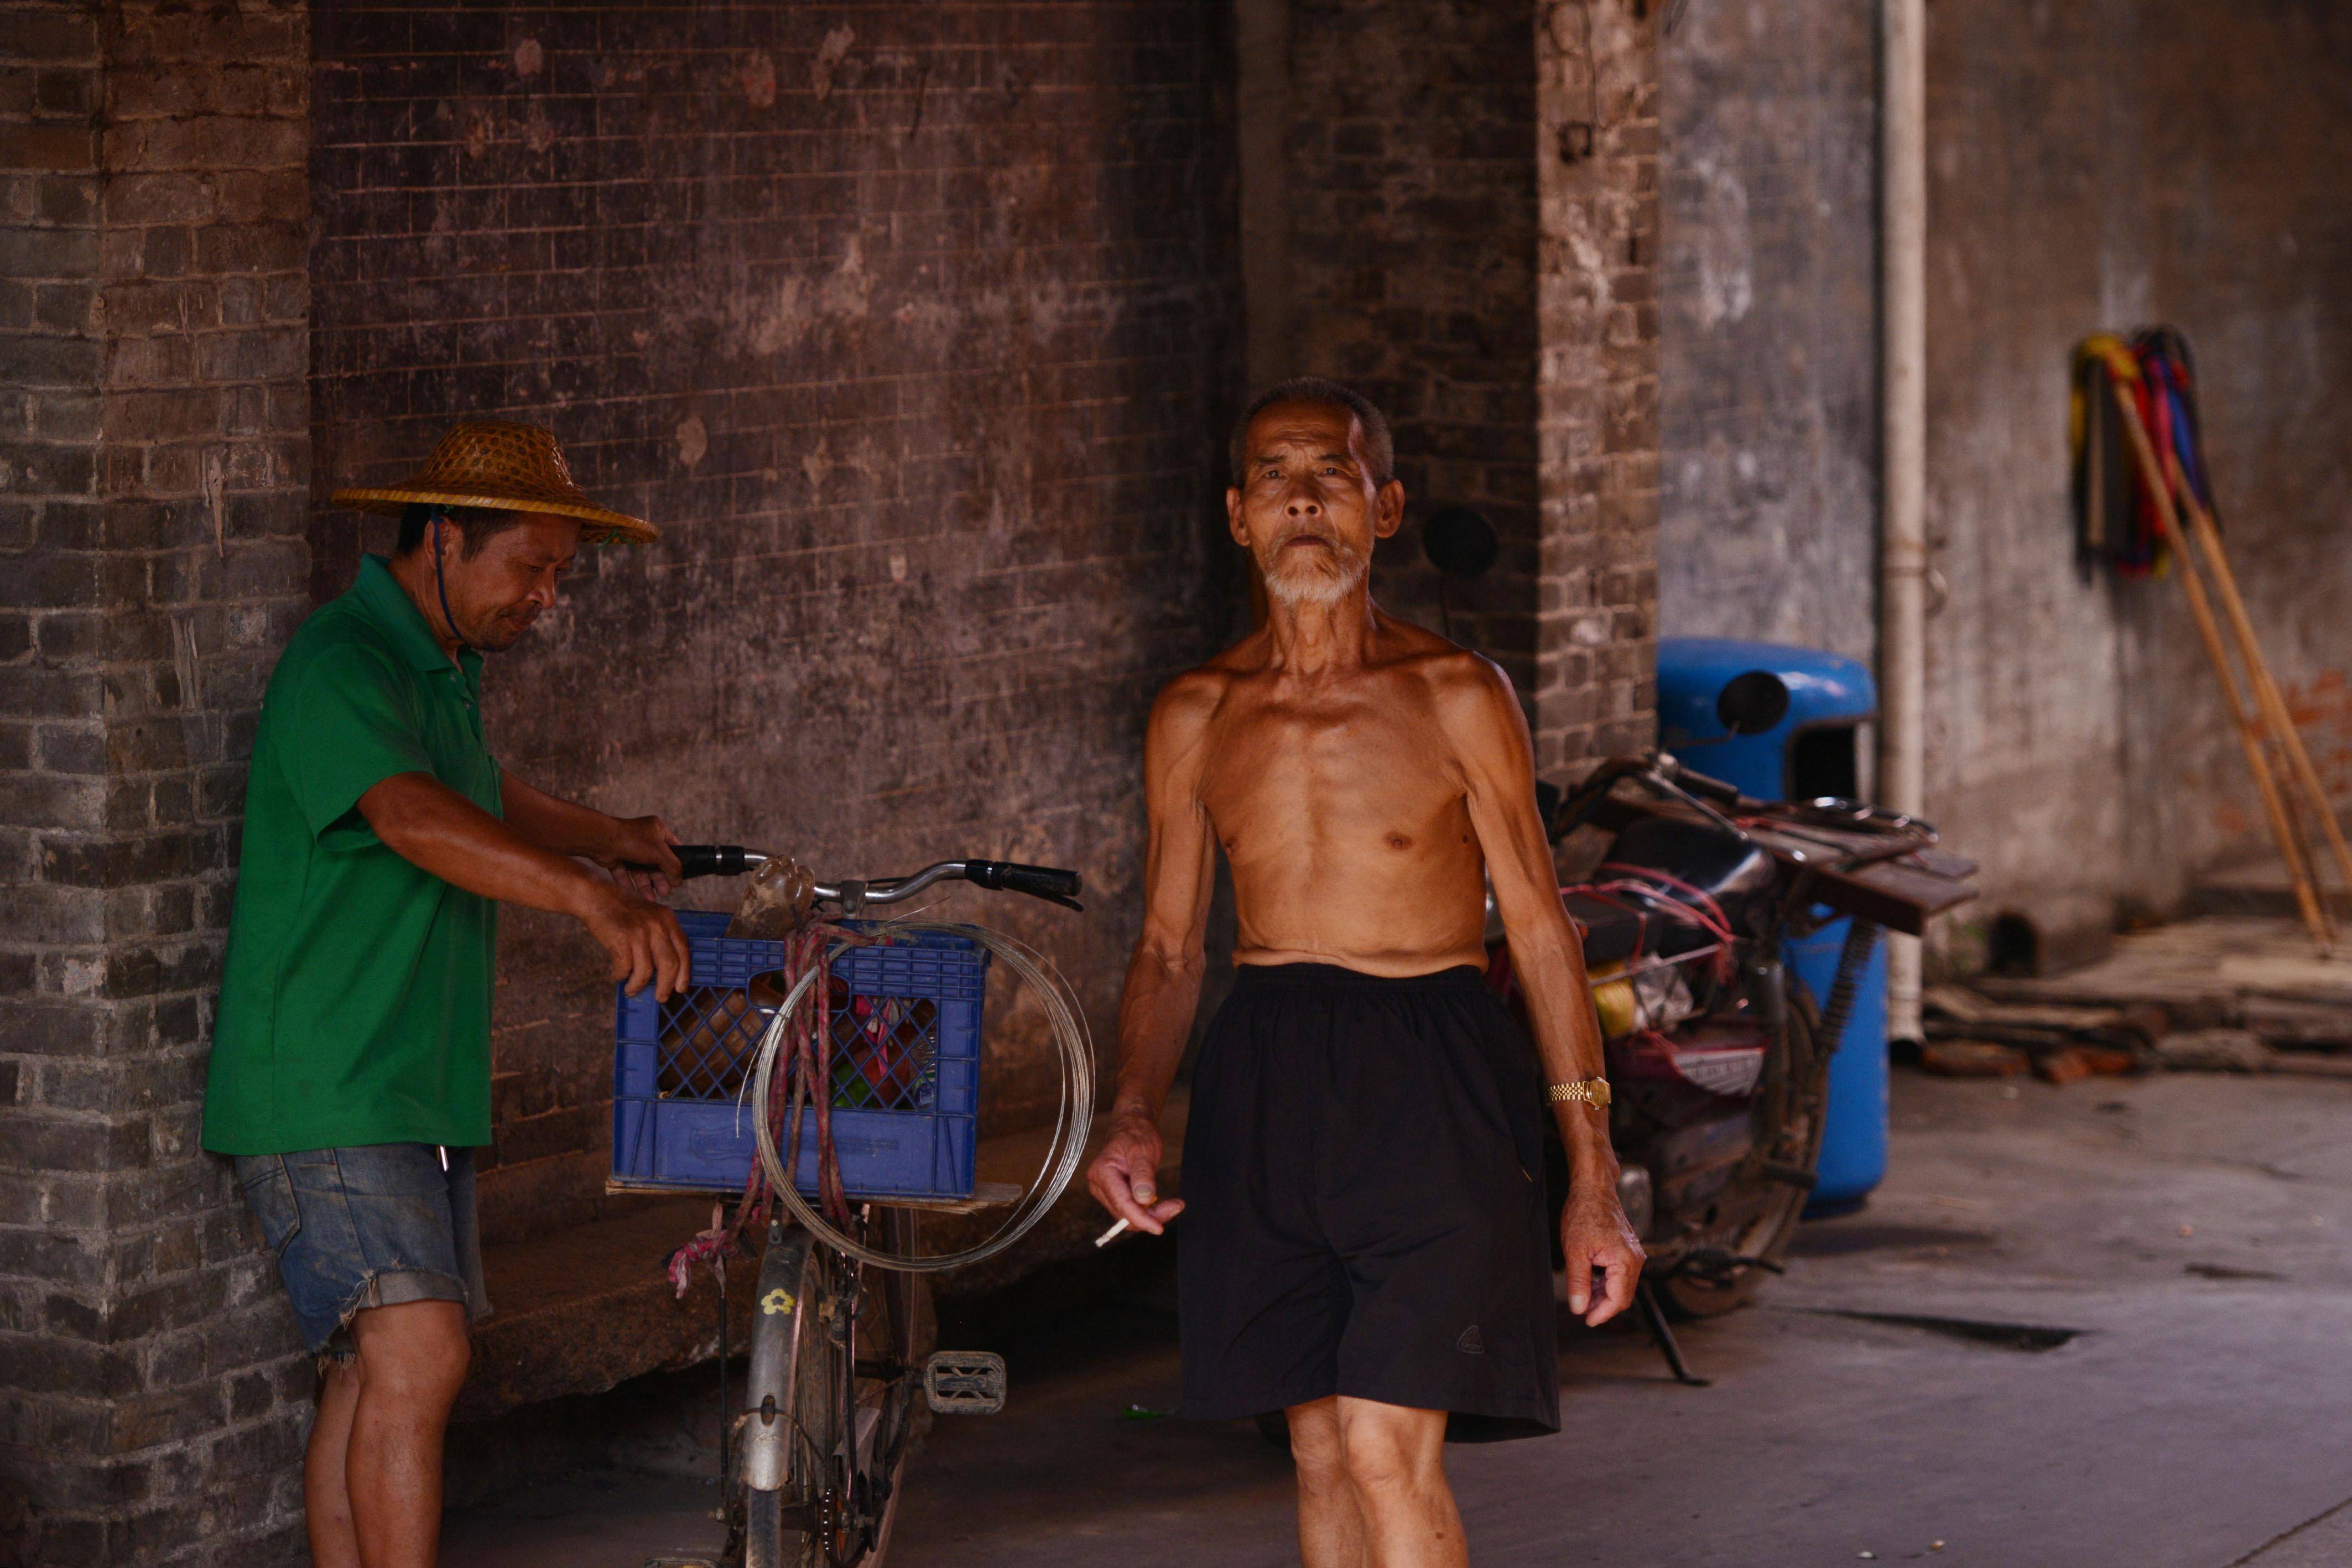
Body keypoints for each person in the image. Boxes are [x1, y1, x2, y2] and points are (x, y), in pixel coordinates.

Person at [1086, 378, 1643, 1567]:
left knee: (1388, 1446)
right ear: (1237, 515)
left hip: (1430, 1065)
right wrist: (1130, 1108)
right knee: (1320, 1447)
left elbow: (1542, 932)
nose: (1302, 498)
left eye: (1331, 474)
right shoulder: (1195, 711)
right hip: (1267, 1064)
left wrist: (1591, 1171)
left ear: (1381, 509)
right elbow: (1172, 945)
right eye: (1275, 477)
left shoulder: (1453, 693)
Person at [202, 421, 694, 1568]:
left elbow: (475, 790)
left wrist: (605, 835)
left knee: (368, 1371)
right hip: (331, 1076)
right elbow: (409, 814)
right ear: (438, 541)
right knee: (420, 1356)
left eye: (559, 572)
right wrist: (587, 898)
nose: (545, 595)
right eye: (527, 566)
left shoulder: (436, 671)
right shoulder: (343, 662)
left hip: (402, 1076)